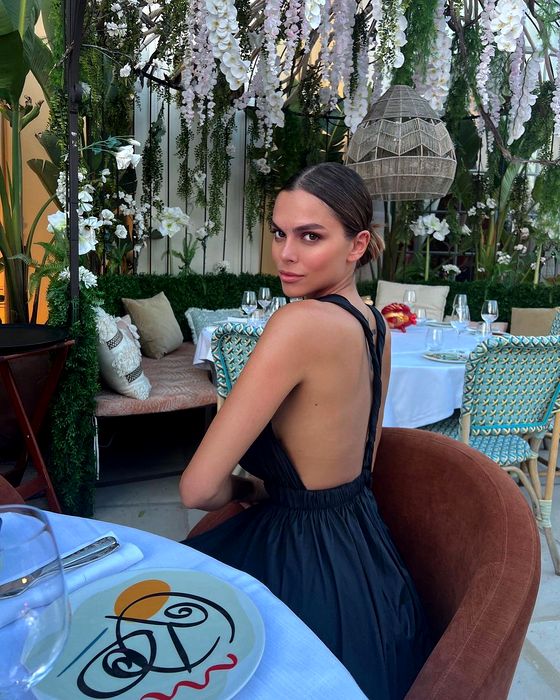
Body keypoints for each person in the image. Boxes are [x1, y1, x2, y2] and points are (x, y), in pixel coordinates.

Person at [180, 162, 432, 698]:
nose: (285, 254)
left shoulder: (298, 324)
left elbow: (197, 489)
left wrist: (250, 489)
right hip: (364, 553)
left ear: (357, 245)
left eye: (310, 236)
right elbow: (366, 457)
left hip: (299, 561)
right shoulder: (377, 325)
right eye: (279, 233)